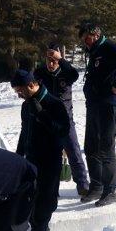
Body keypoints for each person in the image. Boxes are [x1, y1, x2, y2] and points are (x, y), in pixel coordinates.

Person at [10, 70, 70, 231]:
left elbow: (63, 131)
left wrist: (42, 115)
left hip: (49, 163)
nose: (19, 94)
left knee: (45, 206)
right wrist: (18, 157)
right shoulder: (26, 105)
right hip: (30, 162)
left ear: (30, 85)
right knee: (33, 206)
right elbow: (23, 132)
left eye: (20, 90)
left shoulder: (54, 104)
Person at [78, 21, 116, 207]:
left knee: (105, 147)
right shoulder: (95, 50)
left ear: (95, 34)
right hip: (94, 104)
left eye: (86, 38)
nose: (85, 43)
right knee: (91, 146)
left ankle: (110, 190)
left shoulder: (109, 47)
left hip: (107, 105)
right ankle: (96, 186)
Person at [33, 43, 90, 196]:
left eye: (54, 60)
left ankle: (83, 185)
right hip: (46, 121)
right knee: (49, 155)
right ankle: (51, 189)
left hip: (65, 120)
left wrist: (62, 60)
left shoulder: (66, 73)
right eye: (48, 60)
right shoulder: (39, 73)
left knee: (73, 151)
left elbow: (75, 75)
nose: (51, 63)